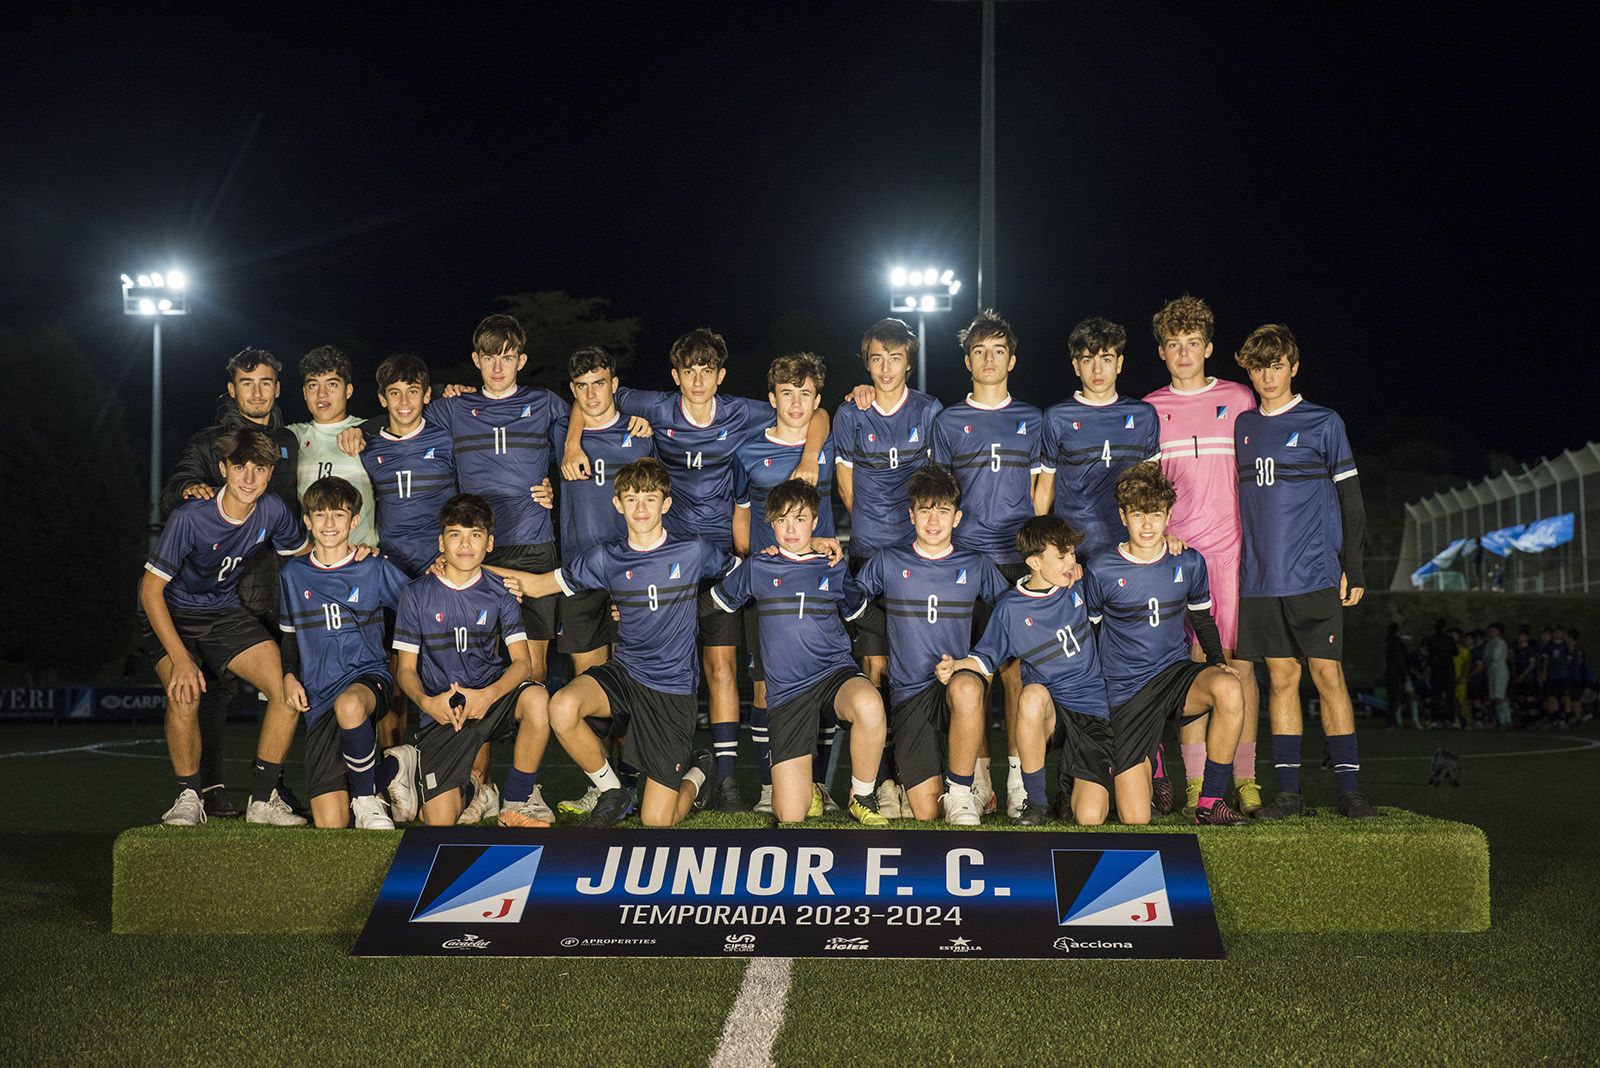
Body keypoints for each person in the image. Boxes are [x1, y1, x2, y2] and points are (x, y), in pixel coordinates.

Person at [560, 327, 828, 812]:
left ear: (720, 375)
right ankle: (626, 778)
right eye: (690, 370)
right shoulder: (657, 407)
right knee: (642, 672)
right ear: (676, 376)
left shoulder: (742, 411)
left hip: (719, 560)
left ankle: (723, 778)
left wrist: (810, 456)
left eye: (708, 370)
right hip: (664, 561)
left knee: (722, 668)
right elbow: (591, 394)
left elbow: (815, 411)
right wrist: (572, 446)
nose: (698, 379)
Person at [493, 458, 726, 828]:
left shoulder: (693, 551)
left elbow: (737, 574)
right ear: (617, 504)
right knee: (563, 706)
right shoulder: (606, 557)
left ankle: (698, 772)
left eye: (650, 499)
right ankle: (614, 791)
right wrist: (469, 567)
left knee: (657, 822)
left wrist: (695, 606)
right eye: (631, 499)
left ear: (666, 504)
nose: (641, 508)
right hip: (627, 671)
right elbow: (536, 586)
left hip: (671, 688)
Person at [1231, 324, 1376, 820]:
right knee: (1281, 678)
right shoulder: (1242, 427)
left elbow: (1350, 500)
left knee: (1327, 674)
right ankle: (1289, 793)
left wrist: (1351, 564)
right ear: (1247, 370)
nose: (1267, 375)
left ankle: (1349, 792)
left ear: (1293, 366)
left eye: (1276, 365)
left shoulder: (1323, 422)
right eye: (1257, 366)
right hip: (1261, 578)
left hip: (1314, 574)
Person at [140, 428, 310, 826]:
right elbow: (150, 592)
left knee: (286, 691)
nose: (249, 478)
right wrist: (181, 660)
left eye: (260, 468)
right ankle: (188, 797)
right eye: (240, 467)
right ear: (223, 469)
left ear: (270, 473)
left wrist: (352, 558)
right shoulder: (190, 518)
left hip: (222, 612)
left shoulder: (272, 510)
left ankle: (263, 801)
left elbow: (304, 557)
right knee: (185, 694)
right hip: (171, 613)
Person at [160, 347, 300, 818]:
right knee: (208, 695)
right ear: (232, 389)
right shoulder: (210, 443)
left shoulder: (289, 441)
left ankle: (269, 792)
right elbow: (175, 489)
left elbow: (291, 526)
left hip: (274, 586)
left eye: (265, 382)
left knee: (283, 688)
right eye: (247, 383)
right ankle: (204, 792)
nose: (257, 391)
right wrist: (187, 490)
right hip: (218, 591)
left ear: (277, 388)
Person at [1142, 294, 1262, 816]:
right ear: (1163, 352)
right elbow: (1146, 490)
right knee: (1191, 669)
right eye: (1174, 344)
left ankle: (1247, 780)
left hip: (1235, 553)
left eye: (1193, 343)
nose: (1184, 352)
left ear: (1208, 348)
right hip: (1178, 557)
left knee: (1241, 667)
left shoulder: (1239, 398)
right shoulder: (1149, 409)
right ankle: (1197, 784)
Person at [711, 478, 889, 827]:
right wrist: (641, 612)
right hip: (788, 691)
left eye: (800, 519)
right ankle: (803, 790)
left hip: (832, 673)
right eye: (782, 520)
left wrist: (914, 638)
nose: (791, 529)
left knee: (869, 703)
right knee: (790, 815)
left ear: (815, 520)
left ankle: (862, 796)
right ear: (771, 522)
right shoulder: (758, 567)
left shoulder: (832, 565)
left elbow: (864, 615)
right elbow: (711, 604)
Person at [1084, 462, 1250, 825]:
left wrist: (1219, 660)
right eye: (1139, 515)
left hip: (1173, 676)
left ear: (1169, 515)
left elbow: (1202, 619)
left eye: (1156, 515)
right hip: (1125, 689)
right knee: (1135, 818)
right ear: (1123, 516)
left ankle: (1210, 801)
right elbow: (1090, 636)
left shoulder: (1188, 562)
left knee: (1229, 687)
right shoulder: (1101, 569)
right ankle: (1152, 760)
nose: (1147, 525)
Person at [929, 309, 1046, 816]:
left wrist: (1037, 554)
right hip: (966, 565)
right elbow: (936, 494)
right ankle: (977, 782)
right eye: (980, 351)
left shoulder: (1034, 419)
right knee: (970, 675)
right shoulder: (948, 420)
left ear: (1012, 360)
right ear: (968, 361)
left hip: (1017, 564)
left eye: (999, 350)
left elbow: (1044, 485)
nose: (990, 359)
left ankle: (1019, 783)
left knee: (1018, 673)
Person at [853, 464, 1009, 825]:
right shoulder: (889, 560)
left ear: (957, 517)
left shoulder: (974, 563)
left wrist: (974, 660)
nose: (933, 520)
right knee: (925, 813)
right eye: (925, 510)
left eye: (942, 511)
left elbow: (1012, 612)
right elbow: (850, 600)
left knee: (969, 686)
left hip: (952, 685)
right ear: (911, 515)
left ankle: (961, 794)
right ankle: (928, 785)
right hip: (910, 695)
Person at [831, 317, 942, 817]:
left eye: (895, 358)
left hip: (918, 557)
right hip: (870, 554)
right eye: (877, 358)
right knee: (874, 667)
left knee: (914, 668)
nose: (886, 367)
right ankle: (878, 781)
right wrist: (870, 531)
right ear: (866, 361)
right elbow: (845, 482)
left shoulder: (928, 410)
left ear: (908, 361)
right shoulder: (851, 412)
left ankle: (912, 771)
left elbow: (938, 482)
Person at [390, 493, 554, 827]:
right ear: (441, 541)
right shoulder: (416, 594)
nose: (465, 545)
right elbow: (405, 670)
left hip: (490, 700)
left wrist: (489, 695)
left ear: (489, 543)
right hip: (442, 712)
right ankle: (474, 786)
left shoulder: (501, 590)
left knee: (537, 697)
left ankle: (517, 801)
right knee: (438, 822)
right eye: (455, 535)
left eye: (475, 536)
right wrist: (427, 701)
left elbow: (523, 664)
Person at [936, 516, 1108, 826]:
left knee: (1089, 818)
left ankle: (1068, 788)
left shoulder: (1082, 582)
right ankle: (1036, 803)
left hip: (1092, 713)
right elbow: (985, 658)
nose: (1071, 561)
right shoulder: (1010, 609)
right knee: (1031, 695)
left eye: (1071, 553)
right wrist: (956, 665)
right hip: (1050, 715)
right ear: (1034, 562)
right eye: (1061, 555)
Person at [545, 346, 656, 817]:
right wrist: (572, 444)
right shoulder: (560, 434)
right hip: (578, 576)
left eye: (600, 383)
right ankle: (604, 784)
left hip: (631, 575)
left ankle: (633, 779)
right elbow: (573, 417)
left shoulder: (640, 434)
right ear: (573, 390)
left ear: (615, 383)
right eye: (582, 386)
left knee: (632, 682)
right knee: (588, 685)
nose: (592, 394)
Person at [732, 353, 840, 814]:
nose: (796, 403)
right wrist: (751, 562)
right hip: (769, 589)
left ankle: (818, 786)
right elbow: (739, 514)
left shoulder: (830, 444)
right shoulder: (748, 451)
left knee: (826, 684)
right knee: (764, 687)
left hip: (820, 585)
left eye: (806, 394)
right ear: (772, 397)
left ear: (817, 399)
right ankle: (769, 786)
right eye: (787, 393)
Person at [277, 477, 411, 828]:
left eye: (338, 515)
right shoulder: (293, 574)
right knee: (330, 824)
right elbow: (289, 636)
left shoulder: (373, 567)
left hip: (367, 680)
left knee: (349, 705)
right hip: (319, 698)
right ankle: (393, 768)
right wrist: (288, 675)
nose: (329, 524)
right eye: (320, 515)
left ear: (354, 521)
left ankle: (367, 799)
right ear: (307, 521)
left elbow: (419, 606)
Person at [1035, 317, 1162, 562]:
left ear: (1119, 363)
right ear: (1076, 366)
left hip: (1130, 544)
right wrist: (1042, 544)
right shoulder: (1056, 417)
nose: (1097, 370)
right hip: (1073, 546)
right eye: (1087, 360)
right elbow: (1044, 489)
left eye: (1106, 359)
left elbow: (1152, 487)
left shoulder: (1143, 415)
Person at [288, 346, 378, 547]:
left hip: (361, 560)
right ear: (304, 392)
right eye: (313, 386)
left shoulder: (370, 435)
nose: (322, 394)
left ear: (348, 390)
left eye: (332, 384)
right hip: (312, 562)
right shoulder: (293, 437)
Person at [1424, 619, 1459, 726]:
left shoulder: (1431, 640)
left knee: (1435, 697)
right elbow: (1455, 652)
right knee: (1450, 697)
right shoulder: (1449, 640)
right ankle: (1451, 720)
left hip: (1436, 671)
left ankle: (1434, 720)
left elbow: (1428, 654)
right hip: (1448, 670)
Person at [1483, 622, 1511, 728]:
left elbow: (1494, 656)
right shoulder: (1489, 643)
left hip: (1500, 672)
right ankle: (1501, 720)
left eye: (1493, 630)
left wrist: (1489, 656)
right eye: (1489, 631)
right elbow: (1485, 658)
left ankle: (1506, 719)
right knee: (1494, 697)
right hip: (1491, 672)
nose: (1491, 633)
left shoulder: (1501, 643)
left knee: (1500, 696)